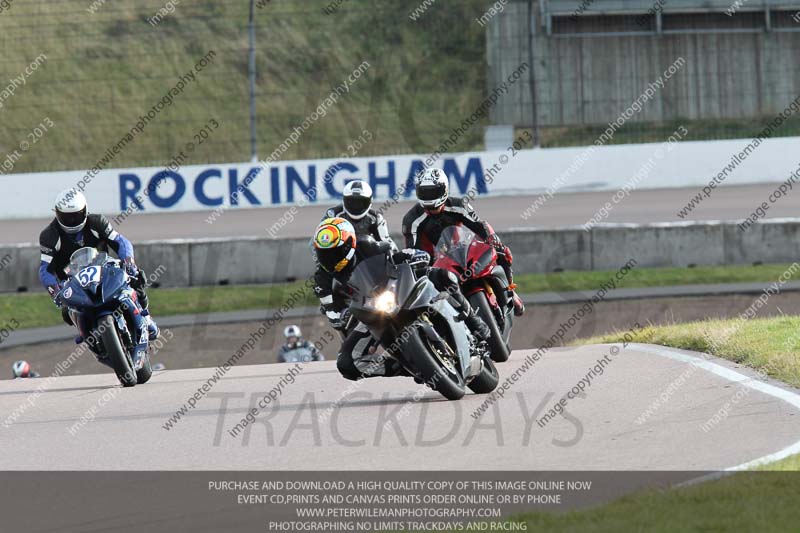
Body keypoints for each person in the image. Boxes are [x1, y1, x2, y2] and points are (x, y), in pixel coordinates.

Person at [311, 217, 490, 381]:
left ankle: (474, 321)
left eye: (335, 252)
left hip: (394, 288)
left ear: (349, 243)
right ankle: (408, 367)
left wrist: (411, 255)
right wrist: (341, 315)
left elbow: (393, 253)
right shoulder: (322, 279)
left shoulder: (366, 244)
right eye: (324, 253)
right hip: (366, 313)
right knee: (346, 364)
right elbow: (331, 310)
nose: (329, 258)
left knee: (443, 276)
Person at [401, 168, 525, 316]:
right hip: (436, 260)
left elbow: (479, 225)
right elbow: (413, 250)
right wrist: (424, 267)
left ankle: (511, 292)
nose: (429, 197)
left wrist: (492, 239)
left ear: (445, 189)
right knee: (426, 286)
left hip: (463, 248)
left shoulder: (458, 205)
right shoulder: (411, 220)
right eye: (425, 192)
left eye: (433, 192)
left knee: (502, 251)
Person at [38, 189, 158, 341]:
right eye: (67, 217)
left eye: (76, 215)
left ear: (85, 210)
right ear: (57, 213)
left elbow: (120, 242)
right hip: (72, 282)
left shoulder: (97, 222)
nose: (72, 221)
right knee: (67, 313)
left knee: (136, 277)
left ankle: (145, 316)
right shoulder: (49, 235)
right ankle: (86, 333)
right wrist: (55, 290)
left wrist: (129, 261)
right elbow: (45, 269)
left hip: (103, 270)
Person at [314, 180, 398, 327]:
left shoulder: (375, 218)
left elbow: (387, 241)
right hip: (338, 256)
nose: (356, 206)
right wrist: (320, 259)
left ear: (369, 202)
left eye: (360, 202)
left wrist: (393, 255)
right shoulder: (333, 214)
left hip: (366, 258)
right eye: (352, 202)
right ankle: (334, 312)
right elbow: (321, 237)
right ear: (344, 201)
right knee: (324, 275)